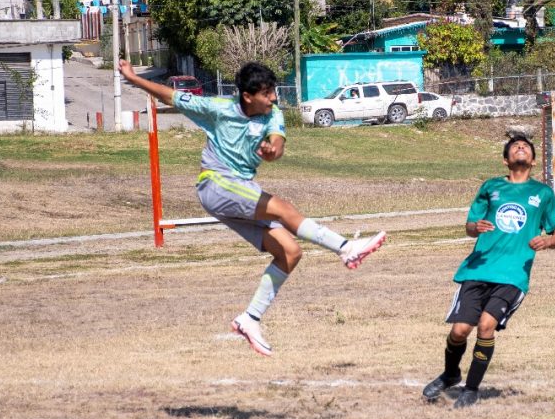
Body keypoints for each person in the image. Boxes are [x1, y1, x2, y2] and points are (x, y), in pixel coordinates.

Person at [117, 59, 386, 356]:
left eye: (273, 91)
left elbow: (277, 145)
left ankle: (250, 318)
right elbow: (170, 95)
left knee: (290, 252)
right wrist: (132, 77)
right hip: (216, 184)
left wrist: (272, 151)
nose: (273, 97)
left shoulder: (273, 114)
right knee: (283, 208)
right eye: (267, 93)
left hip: (242, 189)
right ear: (248, 96)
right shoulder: (218, 109)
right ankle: (345, 247)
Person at [422, 136, 555, 408]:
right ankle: (451, 373)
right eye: (515, 146)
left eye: (525, 147)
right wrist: (476, 228)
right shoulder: (491, 187)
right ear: (505, 159)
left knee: (487, 326)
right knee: (459, 331)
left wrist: (547, 241)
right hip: (478, 269)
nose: (520, 147)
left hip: (513, 276)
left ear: (533, 160)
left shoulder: (543, 194)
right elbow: (469, 225)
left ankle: (472, 388)